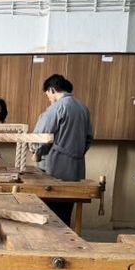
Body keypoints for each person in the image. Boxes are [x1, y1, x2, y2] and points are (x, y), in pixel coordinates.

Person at [33, 74, 93, 225]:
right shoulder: (83, 108)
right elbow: (89, 138)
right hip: (77, 167)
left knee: (51, 213)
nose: (48, 98)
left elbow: (41, 136)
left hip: (56, 167)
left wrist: (37, 152)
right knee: (66, 211)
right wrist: (77, 153)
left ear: (52, 90)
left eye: (47, 94)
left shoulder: (57, 107)